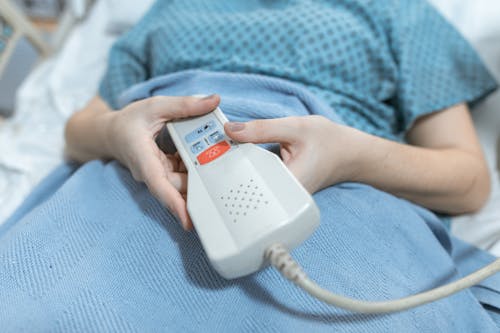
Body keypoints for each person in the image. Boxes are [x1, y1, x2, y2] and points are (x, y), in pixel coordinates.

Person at [1, 0, 499, 331]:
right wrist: (115, 133)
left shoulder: (398, 10)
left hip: (336, 189)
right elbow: (79, 128)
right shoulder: (172, 8)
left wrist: (352, 155)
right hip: (144, 179)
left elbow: (469, 182)